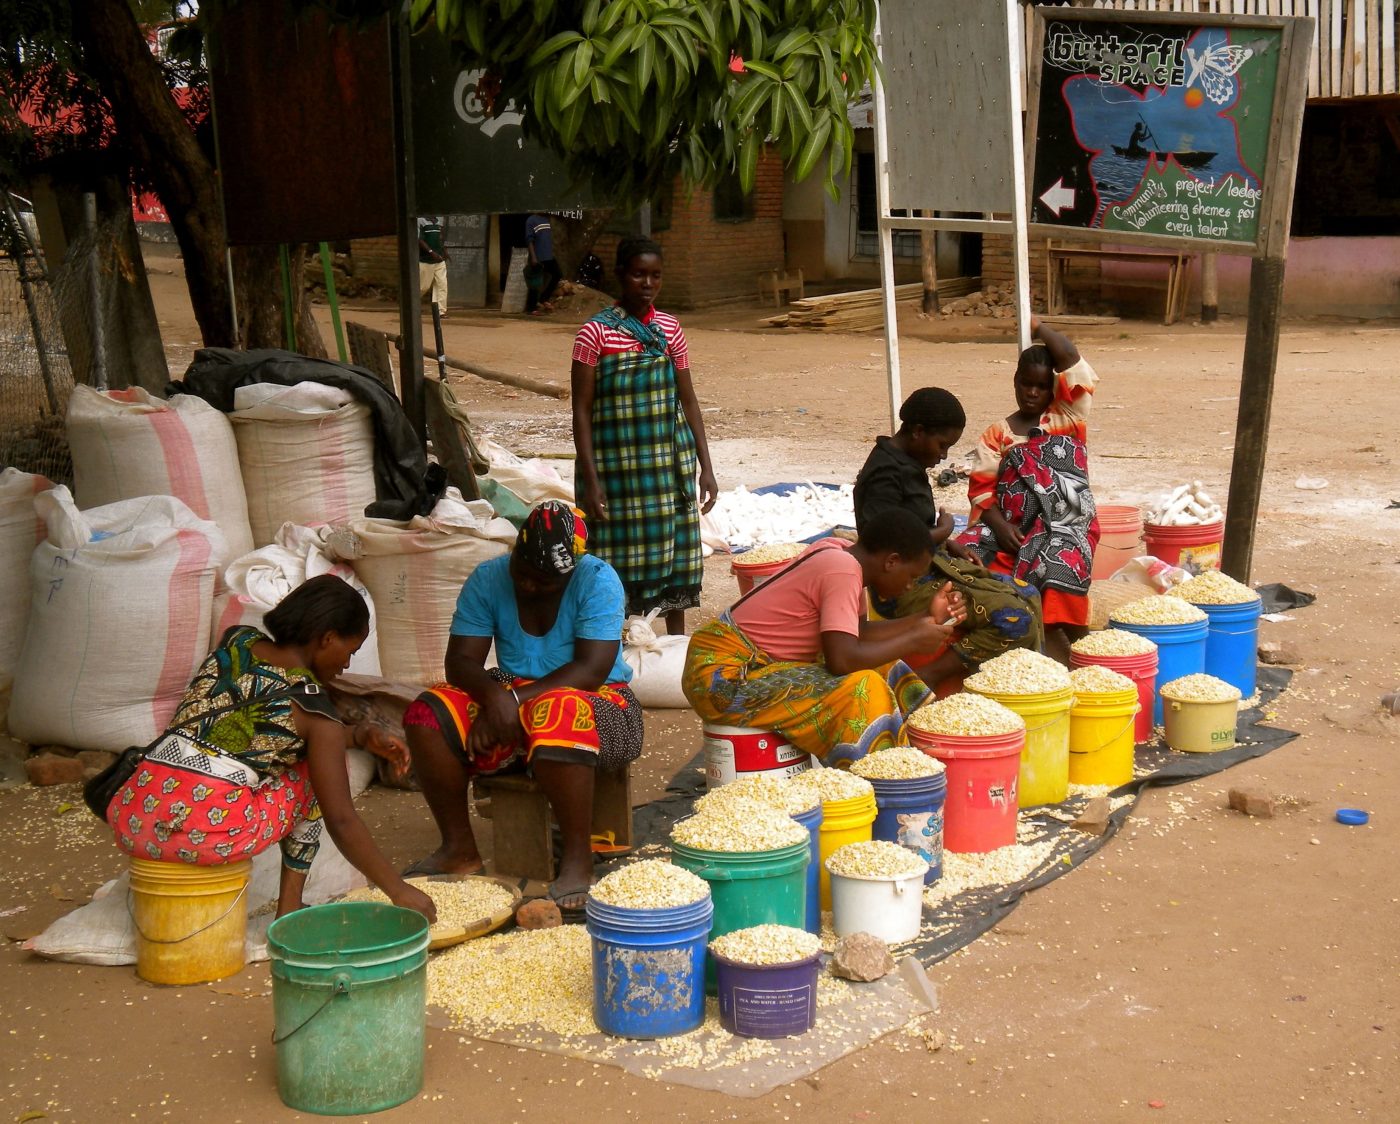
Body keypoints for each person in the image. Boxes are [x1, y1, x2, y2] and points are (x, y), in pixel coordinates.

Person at [104, 576, 436, 923]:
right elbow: (341, 819)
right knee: (313, 775)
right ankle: (288, 912)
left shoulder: (237, 641)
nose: (347, 665)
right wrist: (398, 890)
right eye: (349, 651)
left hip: (133, 816)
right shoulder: (313, 706)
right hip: (203, 836)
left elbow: (258, 730)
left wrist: (359, 735)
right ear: (327, 638)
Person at [402, 502, 642, 916]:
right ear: (514, 553)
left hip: (603, 703)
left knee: (558, 709)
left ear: (568, 574)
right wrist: (493, 698)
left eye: (544, 583)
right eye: (523, 574)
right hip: (514, 696)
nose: (529, 587)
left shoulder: (597, 579)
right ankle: (459, 849)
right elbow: (460, 661)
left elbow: (591, 669)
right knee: (428, 712)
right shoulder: (487, 578)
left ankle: (577, 860)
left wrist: (508, 703)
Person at [682, 508, 967, 768]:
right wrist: (913, 640)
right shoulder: (842, 569)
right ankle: (880, 777)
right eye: (911, 577)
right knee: (862, 686)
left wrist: (923, 619)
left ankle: (915, 755)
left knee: (885, 665)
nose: (909, 587)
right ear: (892, 561)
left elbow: (858, 635)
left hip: (750, 665)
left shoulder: (842, 553)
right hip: (723, 676)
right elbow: (841, 660)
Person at [571, 237, 718, 635]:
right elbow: (581, 410)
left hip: (666, 468)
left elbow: (688, 401)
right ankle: (608, 646)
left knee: (676, 557)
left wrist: (706, 467)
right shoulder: (594, 334)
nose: (648, 283)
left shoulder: (670, 329)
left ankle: (675, 646)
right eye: (639, 274)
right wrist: (591, 478)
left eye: (655, 275)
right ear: (621, 275)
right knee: (613, 562)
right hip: (615, 470)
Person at [853, 386, 1043, 688]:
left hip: (932, 565)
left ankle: (1018, 684)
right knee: (1015, 619)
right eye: (942, 445)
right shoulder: (884, 475)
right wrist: (939, 533)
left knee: (1028, 593)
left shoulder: (907, 464)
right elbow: (885, 545)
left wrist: (949, 543)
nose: (943, 456)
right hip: (902, 585)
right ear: (917, 432)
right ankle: (930, 677)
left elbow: (911, 528)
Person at [967, 316, 1100, 662]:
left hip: (1065, 524)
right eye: (1026, 385)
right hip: (1009, 527)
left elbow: (1071, 358)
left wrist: (1039, 329)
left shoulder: (1066, 417)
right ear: (1015, 383)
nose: (1032, 393)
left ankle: (1075, 645)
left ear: (1053, 389)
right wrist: (1000, 525)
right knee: (965, 556)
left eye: (1041, 386)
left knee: (1059, 568)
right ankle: (1023, 639)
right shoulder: (997, 434)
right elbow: (982, 492)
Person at [524, 213, 563, 315]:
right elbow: (529, 240)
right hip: (537, 256)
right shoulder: (531, 220)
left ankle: (543, 298)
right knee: (535, 282)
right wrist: (533, 257)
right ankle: (531, 308)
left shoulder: (546, 220)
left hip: (548, 256)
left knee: (557, 274)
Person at [418, 214, 449, 315]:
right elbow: (420, 240)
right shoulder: (420, 220)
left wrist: (444, 251)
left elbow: (440, 238)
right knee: (423, 287)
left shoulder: (439, 219)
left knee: (442, 285)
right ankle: (410, 303)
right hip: (426, 260)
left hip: (439, 260)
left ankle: (440, 311)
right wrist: (431, 252)